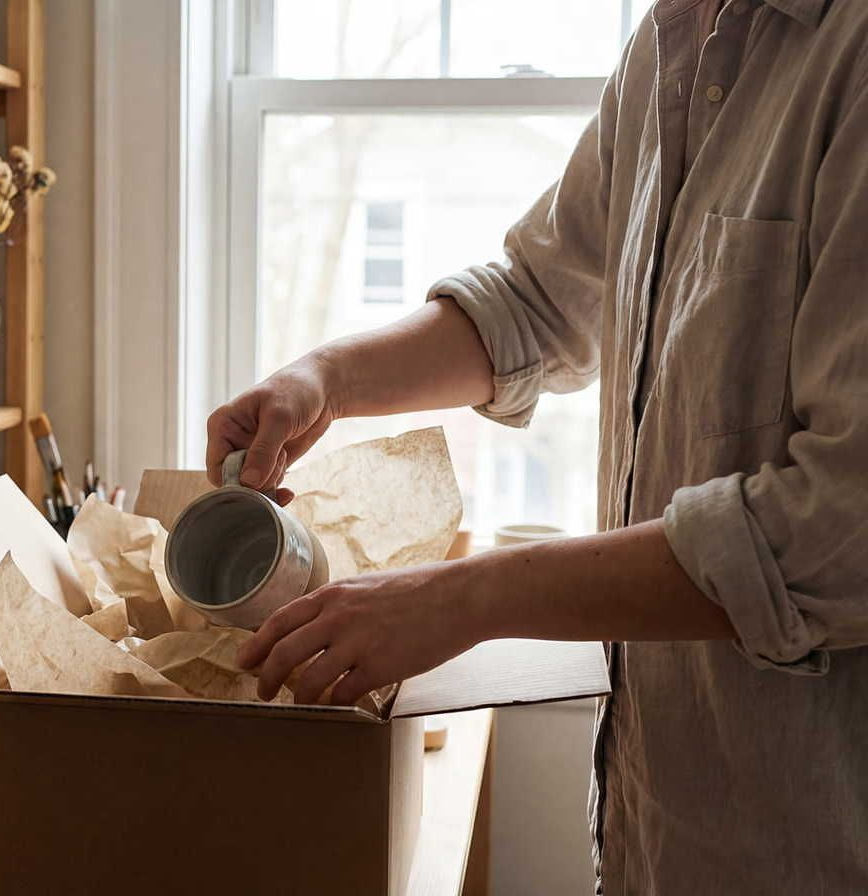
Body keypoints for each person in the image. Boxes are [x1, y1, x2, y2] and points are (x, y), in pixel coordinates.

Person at [209, 1, 868, 892]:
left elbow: (839, 529)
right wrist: (327, 376)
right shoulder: (668, 42)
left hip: (811, 845)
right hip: (659, 828)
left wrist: (465, 598)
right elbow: (540, 301)